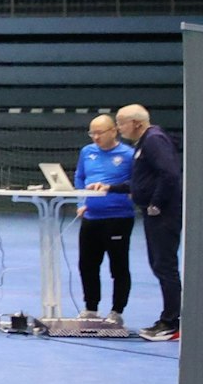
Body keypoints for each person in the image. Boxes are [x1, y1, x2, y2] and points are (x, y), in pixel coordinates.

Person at [89, 104, 183, 341]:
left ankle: (171, 323)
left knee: (165, 266)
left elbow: (170, 174)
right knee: (159, 265)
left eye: (121, 123)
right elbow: (143, 182)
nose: (119, 129)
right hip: (155, 214)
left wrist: (156, 204)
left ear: (136, 123)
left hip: (163, 214)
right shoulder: (144, 144)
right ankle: (167, 318)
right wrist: (111, 187)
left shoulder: (154, 140)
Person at [73, 114, 136, 327]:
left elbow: (135, 182)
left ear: (113, 131)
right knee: (87, 264)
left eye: (100, 132)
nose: (96, 137)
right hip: (91, 217)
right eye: (92, 133)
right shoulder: (87, 152)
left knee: (118, 266)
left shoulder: (128, 154)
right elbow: (80, 177)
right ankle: (91, 308)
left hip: (118, 218)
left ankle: (117, 310)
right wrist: (81, 201)